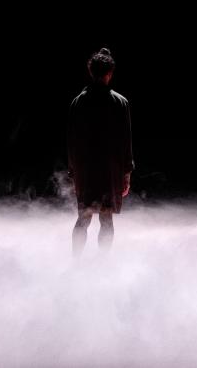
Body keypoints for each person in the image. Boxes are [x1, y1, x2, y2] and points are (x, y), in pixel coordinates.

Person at [67, 47, 134, 255]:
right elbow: (126, 142)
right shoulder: (120, 103)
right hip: (109, 171)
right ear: (110, 73)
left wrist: (73, 172)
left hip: (86, 171)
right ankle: (103, 263)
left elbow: (72, 142)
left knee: (83, 217)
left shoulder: (78, 102)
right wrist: (127, 173)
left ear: (90, 71)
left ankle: (76, 261)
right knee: (106, 218)